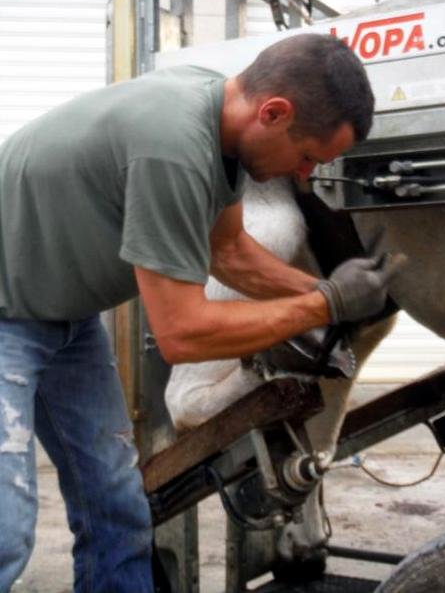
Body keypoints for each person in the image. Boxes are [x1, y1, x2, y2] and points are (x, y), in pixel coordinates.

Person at [0, 33, 400, 592]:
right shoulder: (172, 146)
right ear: (273, 113)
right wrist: (324, 303)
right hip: (6, 311)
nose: (306, 175)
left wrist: (325, 291)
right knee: (7, 529)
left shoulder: (219, 123)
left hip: (64, 313)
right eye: (308, 156)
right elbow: (183, 334)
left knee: (117, 503)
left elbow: (229, 251)